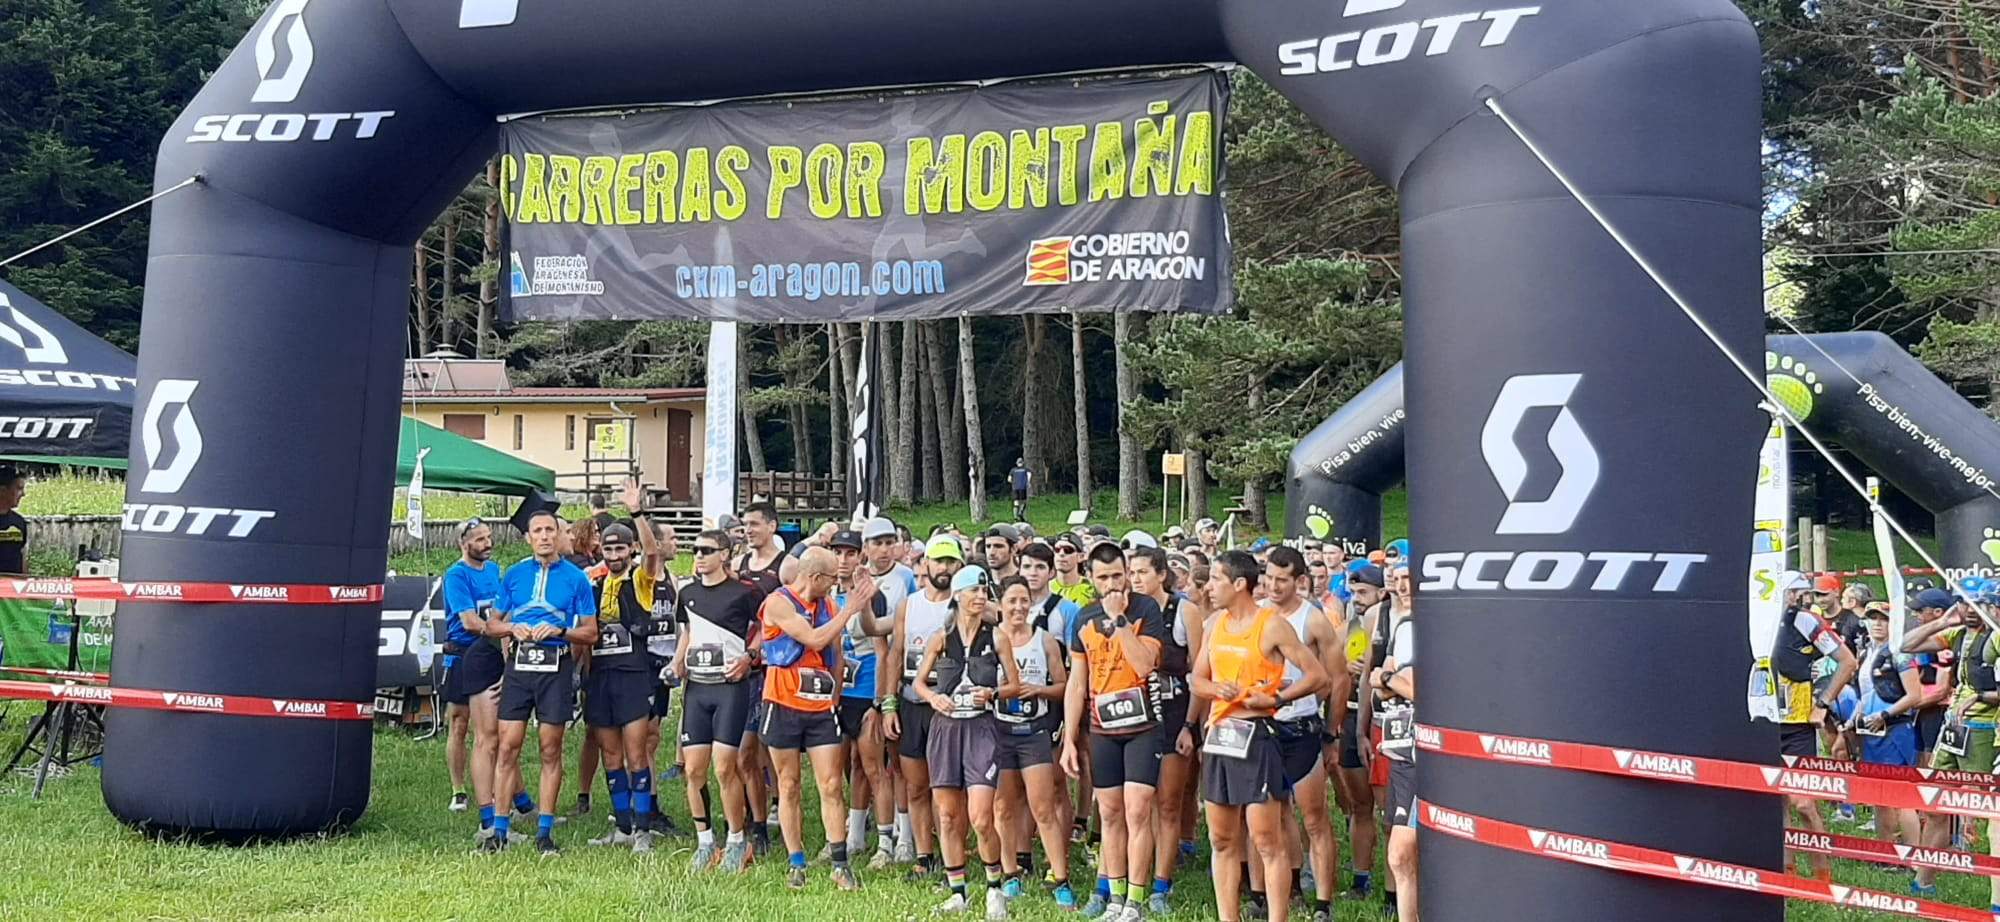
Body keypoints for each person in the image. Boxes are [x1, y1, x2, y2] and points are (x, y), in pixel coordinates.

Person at [1192, 549, 1328, 922]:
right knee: (1221, 839)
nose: (1208, 587)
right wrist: (1214, 688)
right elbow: (1196, 679)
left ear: (1239, 584)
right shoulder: (1214, 624)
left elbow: (1318, 676)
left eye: (1216, 579)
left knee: (1266, 839)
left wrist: (1276, 698)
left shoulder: (1271, 625)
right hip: (1220, 735)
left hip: (1257, 735)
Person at [1061, 542, 1170, 921]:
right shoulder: (1084, 618)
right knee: (1108, 813)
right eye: (1104, 578)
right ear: (1091, 578)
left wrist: (1120, 620)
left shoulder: (1146, 608)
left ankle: (1135, 901)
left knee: (1137, 810)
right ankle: (1115, 895)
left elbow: (1144, 665)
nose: (1112, 585)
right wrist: (1069, 739)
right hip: (1103, 727)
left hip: (1143, 726)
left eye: (1118, 576)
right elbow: (1077, 682)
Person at [912, 565, 1022, 917]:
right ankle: (958, 891)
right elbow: (918, 682)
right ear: (957, 595)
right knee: (946, 815)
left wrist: (992, 694)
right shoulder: (941, 637)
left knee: (981, 817)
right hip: (946, 729)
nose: (980, 597)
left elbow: (1014, 685)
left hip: (981, 728)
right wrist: (934, 698)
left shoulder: (997, 637)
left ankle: (994, 887)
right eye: (973, 590)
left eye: (984, 591)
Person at [758, 546, 872, 891]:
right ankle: (796, 862)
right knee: (789, 784)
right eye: (831, 579)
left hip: (820, 707)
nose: (834, 585)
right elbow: (814, 638)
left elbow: (835, 652)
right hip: (783, 703)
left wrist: (834, 697)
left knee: (832, 784)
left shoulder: (829, 606)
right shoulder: (779, 603)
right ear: (815, 577)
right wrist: (850, 608)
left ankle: (839, 863)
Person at [486, 510, 599, 855]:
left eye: (551, 530)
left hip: (556, 666)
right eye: (538, 531)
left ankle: (544, 832)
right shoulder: (515, 574)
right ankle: (499, 831)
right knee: (508, 746)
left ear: (560, 535)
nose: (545, 536)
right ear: (529, 537)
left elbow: (591, 632)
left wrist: (561, 631)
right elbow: (491, 624)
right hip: (520, 667)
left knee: (550, 748)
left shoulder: (577, 578)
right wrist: (511, 628)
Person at [580, 480, 667, 853]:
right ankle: (623, 827)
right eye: (608, 548)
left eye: (620, 548)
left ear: (630, 549)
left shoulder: (640, 579)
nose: (614, 554)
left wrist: (636, 512)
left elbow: (653, 552)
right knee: (611, 755)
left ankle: (643, 830)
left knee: (636, 754)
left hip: (633, 676)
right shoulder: (593, 582)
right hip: (601, 677)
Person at [1261, 546, 1346, 922]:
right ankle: (1290, 885)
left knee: (1314, 816)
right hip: (1266, 726)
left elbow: (1338, 678)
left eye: (1282, 580)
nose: (1274, 586)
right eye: (1269, 578)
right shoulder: (1258, 613)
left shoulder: (1313, 620)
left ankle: (1324, 902)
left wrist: (1331, 733)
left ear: (1299, 581)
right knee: (1277, 813)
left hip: (1303, 727)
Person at [1900, 584, 2000, 899]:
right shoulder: (1957, 634)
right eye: (1964, 603)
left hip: (1983, 729)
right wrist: (1943, 621)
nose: (1970, 609)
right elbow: (1906, 644)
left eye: (1977, 603)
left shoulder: (1996, 636)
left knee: (1986, 811)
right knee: (1936, 803)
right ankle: (1924, 881)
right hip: (1953, 728)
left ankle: (1993, 889)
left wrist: (1978, 698)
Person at [675, 528, 765, 873]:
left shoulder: (745, 593)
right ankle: (705, 842)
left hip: (730, 687)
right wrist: (677, 662)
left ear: (725, 554)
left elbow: (767, 627)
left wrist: (749, 656)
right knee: (693, 769)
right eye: (696, 549)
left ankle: (737, 840)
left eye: (707, 550)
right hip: (697, 688)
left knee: (725, 766)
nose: (699, 555)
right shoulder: (688, 592)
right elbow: (688, 632)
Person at [993, 575, 1077, 910]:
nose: (1018, 607)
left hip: (1034, 732)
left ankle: (1061, 879)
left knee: (1043, 806)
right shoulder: (990, 639)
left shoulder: (1044, 640)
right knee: (1003, 806)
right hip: (998, 731)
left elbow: (1064, 685)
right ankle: (1010, 873)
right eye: (1011, 600)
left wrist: (1038, 689)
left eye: (1024, 600)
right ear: (1000, 603)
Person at [1127, 546, 1203, 916]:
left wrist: (1191, 724)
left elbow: (1199, 671)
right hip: (1134, 713)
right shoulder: (1128, 611)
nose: (1135, 579)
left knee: (1169, 801)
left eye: (1142, 572)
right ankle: (1133, 873)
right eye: (1131, 572)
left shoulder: (1184, 611)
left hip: (1174, 712)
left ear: (1161, 574)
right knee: (1137, 801)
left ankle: (1161, 883)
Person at [887, 534, 967, 881]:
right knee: (916, 785)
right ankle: (924, 856)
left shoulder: (964, 605)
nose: (944, 568)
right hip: (911, 701)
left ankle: (954, 855)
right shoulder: (909, 604)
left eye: (951, 561)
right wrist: (888, 704)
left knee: (947, 787)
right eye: (938, 561)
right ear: (926, 564)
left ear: (959, 565)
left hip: (947, 704)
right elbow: (895, 653)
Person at [1771, 571, 1857, 880]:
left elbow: (1848, 661)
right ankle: (1788, 874)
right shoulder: (1758, 621)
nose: (1796, 598)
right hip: (1766, 723)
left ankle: (1823, 876)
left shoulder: (1805, 621)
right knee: (1777, 802)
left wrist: (1822, 704)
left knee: (1803, 803)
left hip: (1798, 725)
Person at [829, 527, 895, 870]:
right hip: (837, 694)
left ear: (861, 556)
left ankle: (885, 843)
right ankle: (852, 835)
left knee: (874, 768)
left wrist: (879, 701)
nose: (843, 560)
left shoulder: (872, 594)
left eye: (850, 553)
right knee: (846, 767)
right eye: (837, 552)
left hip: (866, 691)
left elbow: (883, 651)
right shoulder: (826, 593)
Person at [442, 519, 509, 844]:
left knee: (494, 729)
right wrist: (500, 630)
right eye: (480, 539)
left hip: (491, 654)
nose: (487, 543)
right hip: (463, 653)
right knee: (459, 722)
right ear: (463, 543)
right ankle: (459, 789)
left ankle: (505, 796)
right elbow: (469, 621)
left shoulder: (495, 570)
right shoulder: (456, 575)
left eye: (489, 537)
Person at [863, 515, 922, 866]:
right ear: (866, 547)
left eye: (890, 543)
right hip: (856, 679)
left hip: (894, 678)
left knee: (899, 762)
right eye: (878, 543)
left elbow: (904, 633)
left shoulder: (906, 578)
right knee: (864, 761)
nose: (885, 550)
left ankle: (905, 834)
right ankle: (867, 828)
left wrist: (888, 695)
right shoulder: (855, 575)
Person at [734, 500, 784, 855]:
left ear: (771, 526)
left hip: (772, 668)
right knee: (745, 751)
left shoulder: (785, 566)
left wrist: (761, 649)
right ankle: (754, 820)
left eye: (754, 523)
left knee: (772, 748)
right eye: (745, 524)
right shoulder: (739, 564)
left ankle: (778, 807)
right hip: (742, 669)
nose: (748, 530)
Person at [1334, 564, 1386, 901]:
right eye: (1352, 593)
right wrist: (1343, 665)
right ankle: (1360, 878)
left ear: (1382, 593)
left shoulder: (1393, 622)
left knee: (1389, 810)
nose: (1356, 599)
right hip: (1352, 717)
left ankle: (1396, 888)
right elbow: (1328, 668)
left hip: (1382, 720)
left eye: (1363, 592)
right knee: (1359, 805)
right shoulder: (1348, 625)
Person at [1849, 602, 1920, 848]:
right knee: (1879, 795)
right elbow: (1864, 693)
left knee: (1902, 797)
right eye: (1873, 618)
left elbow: (1914, 695)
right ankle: (1885, 852)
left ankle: (1912, 855)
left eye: (1884, 619)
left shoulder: (1901, 653)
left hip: (1895, 730)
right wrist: (1853, 717)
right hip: (1870, 732)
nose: (1878, 623)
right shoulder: (1866, 652)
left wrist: (1886, 714)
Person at [1373, 564, 1419, 922]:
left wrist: (1390, 678)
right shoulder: (1401, 626)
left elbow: (1415, 688)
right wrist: (1391, 679)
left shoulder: (1442, 626)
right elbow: (1377, 682)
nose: (1402, 586)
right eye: (1398, 579)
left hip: (1435, 752)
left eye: (1409, 578)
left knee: (1405, 853)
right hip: (1403, 749)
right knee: (1399, 855)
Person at [1051, 534, 1098, 608]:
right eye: (1057, 550)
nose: (1061, 553)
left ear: (1081, 557)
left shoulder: (1092, 590)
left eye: (1068, 550)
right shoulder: (1044, 588)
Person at [0, 466, 27, 575]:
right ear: (3, 490)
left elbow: (22, 554)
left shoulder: (19, 522)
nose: (23, 494)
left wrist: (25, 579)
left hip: (14, 584)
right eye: (19, 488)